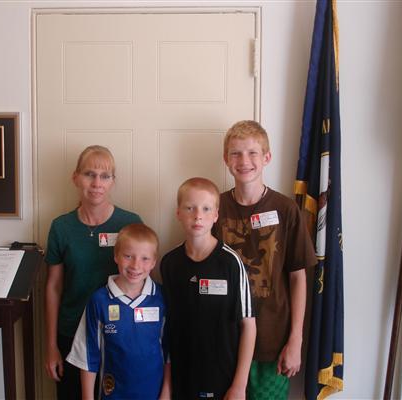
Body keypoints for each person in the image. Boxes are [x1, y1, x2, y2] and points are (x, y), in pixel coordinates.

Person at [213, 120, 317, 400]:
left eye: (252, 153)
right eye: (235, 153)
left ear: (267, 157)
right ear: (226, 159)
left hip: (273, 342)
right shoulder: (214, 208)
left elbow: (298, 277)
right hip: (226, 339)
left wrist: (296, 339)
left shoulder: (286, 209)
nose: (243, 161)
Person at [44, 145, 142, 400]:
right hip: (71, 333)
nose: (97, 183)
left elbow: (142, 283)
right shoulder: (61, 227)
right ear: (75, 177)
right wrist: (52, 346)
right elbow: (53, 287)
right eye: (89, 174)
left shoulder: (129, 224)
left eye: (105, 176)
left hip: (117, 334)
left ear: (113, 182)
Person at [161, 177, 256, 400]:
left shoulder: (231, 263)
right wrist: (167, 386)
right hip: (183, 378)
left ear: (215, 215)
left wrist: (239, 386)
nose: (198, 216)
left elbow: (248, 326)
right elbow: (168, 329)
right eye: (190, 208)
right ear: (178, 213)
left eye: (205, 209)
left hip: (223, 379)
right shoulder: (169, 263)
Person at [66, 223, 170, 400]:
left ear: (154, 262)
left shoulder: (162, 298)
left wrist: (166, 395)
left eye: (144, 258)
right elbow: (87, 356)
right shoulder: (99, 301)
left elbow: (170, 353)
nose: (135, 265)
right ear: (116, 256)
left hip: (153, 394)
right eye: (128, 256)